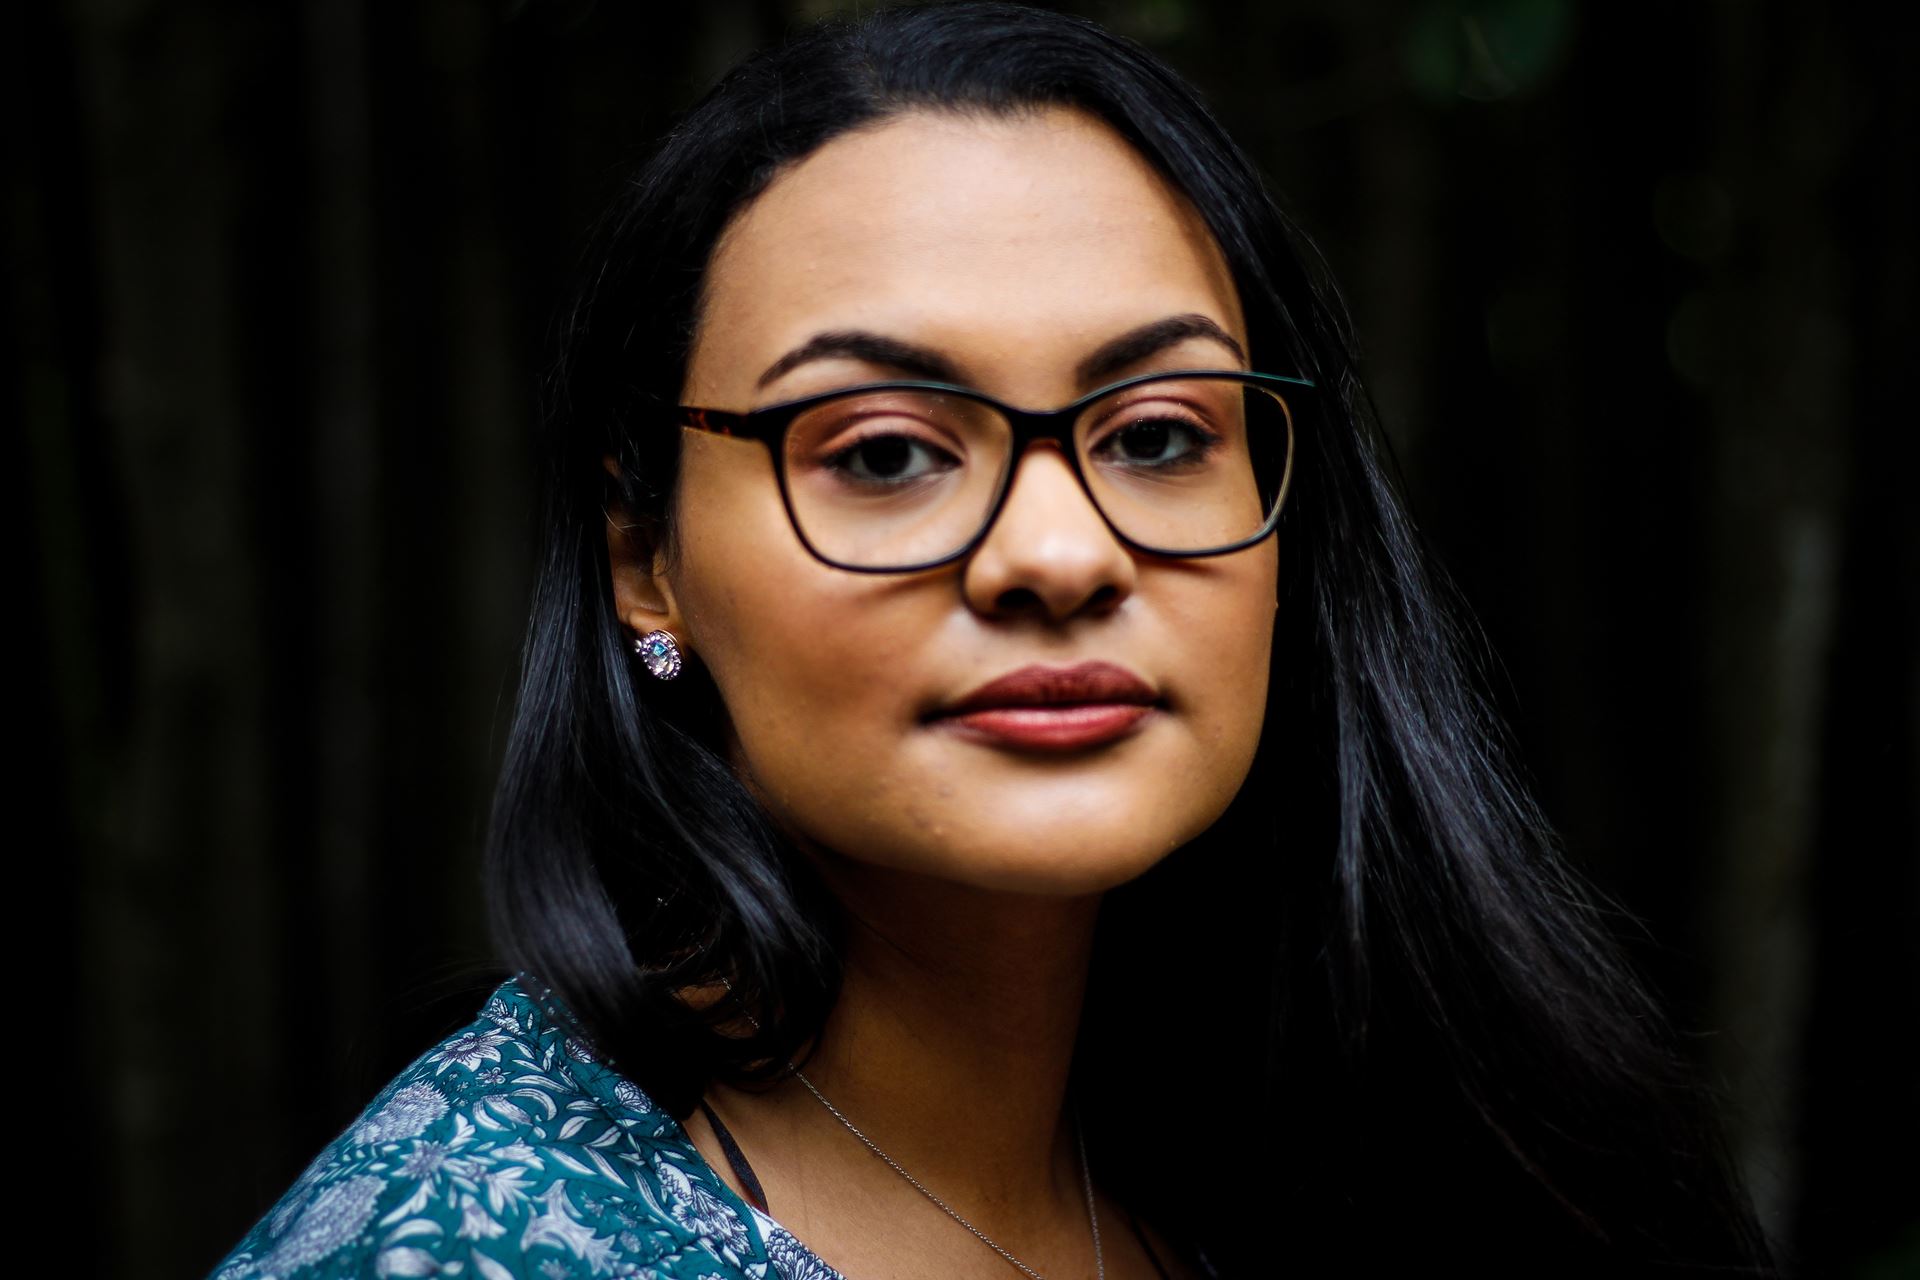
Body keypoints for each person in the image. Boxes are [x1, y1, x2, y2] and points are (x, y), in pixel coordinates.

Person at [210, 3, 1777, 1277]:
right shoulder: (466, 1247)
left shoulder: (1416, 1162)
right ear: (647, 562)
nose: (1060, 555)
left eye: (1159, 434)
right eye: (885, 452)